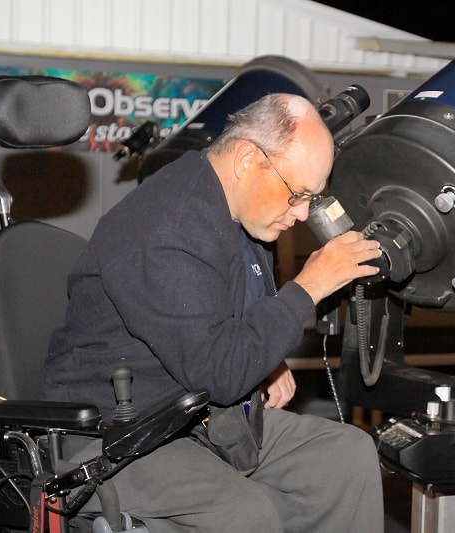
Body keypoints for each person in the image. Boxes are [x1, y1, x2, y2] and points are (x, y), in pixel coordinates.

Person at [43, 93, 385, 532]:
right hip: (117, 436)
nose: (302, 213)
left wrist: (266, 361)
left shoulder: (236, 210)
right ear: (248, 159)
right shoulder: (167, 229)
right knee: (246, 513)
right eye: (298, 194)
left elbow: (229, 315)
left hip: (196, 415)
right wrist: (309, 287)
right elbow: (220, 373)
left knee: (347, 457)